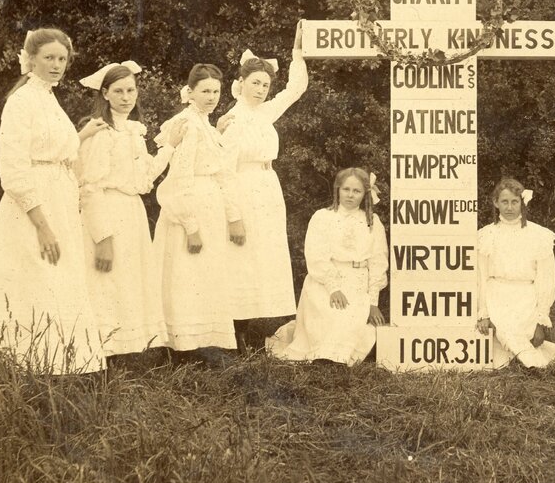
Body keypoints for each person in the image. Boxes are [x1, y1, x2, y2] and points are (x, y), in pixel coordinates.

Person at [0, 28, 104, 374]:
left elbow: (57, 148)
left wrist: (80, 140)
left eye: (62, 59)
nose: (57, 65)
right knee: (35, 278)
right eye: (49, 58)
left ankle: (62, 365)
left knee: (58, 279)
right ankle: (22, 368)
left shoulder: (48, 98)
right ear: (31, 59)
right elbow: (13, 170)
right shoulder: (21, 101)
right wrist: (41, 225)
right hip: (33, 207)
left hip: (59, 198)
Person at [76, 61, 184, 361]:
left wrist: (169, 148)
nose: (126, 97)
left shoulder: (133, 131)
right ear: (105, 94)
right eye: (119, 91)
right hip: (107, 212)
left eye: (131, 90)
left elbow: (145, 177)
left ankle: (126, 351)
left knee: (129, 282)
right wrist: (102, 237)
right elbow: (90, 187)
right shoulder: (100, 131)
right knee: (105, 280)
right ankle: (99, 352)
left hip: (131, 211)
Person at [219, 35, 308, 352]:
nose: (260, 90)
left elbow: (294, 90)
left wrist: (297, 51)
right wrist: (234, 218)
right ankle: (235, 334)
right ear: (239, 83)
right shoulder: (231, 120)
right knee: (240, 258)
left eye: (265, 85)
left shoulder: (265, 113)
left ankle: (253, 332)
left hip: (268, 190)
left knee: (262, 260)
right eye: (254, 83)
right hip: (241, 191)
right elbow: (224, 172)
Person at [152, 63, 245, 360]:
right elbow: (179, 178)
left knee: (205, 276)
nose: (211, 97)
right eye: (205, 91)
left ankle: (202, 344)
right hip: (188, 208)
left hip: (210, 205)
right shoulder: (187, 124)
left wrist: (232, 215)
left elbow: (219, 171)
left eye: (216, 91)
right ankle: (182, 347)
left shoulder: (204, 122)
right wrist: (191, 225)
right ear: (190, 91)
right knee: (186, 274)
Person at [267, 168, 387, 366]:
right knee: (329, 312)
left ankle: (336, 356)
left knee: (351, 318)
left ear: (365, 193)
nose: (350, 195)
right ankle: (325, 355)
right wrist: (333, 288)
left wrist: (373, 301)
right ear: (337, 190)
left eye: (356, 191)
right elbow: (316, 256)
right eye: (346, 189)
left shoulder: (372, 222)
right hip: (326, 280)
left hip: (357, 281)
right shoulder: (323, 217)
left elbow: (378, 261)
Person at [475, 179, 555, 369]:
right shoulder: (486, 234)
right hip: (496, 296)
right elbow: (480, 276)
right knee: (504, 334)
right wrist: (483, 312)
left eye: (514, 202)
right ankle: (530, 362)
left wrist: (541, 320)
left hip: (526, 298)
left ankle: (526, 358)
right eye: (504, 202)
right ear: (495, 202)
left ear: (522, 203)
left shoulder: (539, 235)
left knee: (522, 336)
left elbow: (546, 280)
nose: (509, 207)